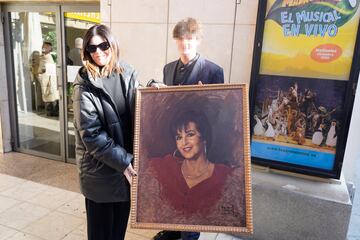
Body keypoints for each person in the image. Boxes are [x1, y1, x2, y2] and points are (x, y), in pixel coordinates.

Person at [149, 17, 224, 240]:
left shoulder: (213, 71)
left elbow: (218, 115)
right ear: (176, 41)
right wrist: (154, 88)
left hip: (197, 145)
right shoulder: (168, 68)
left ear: (198, 41)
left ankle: (189, 236)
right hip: (173, 142)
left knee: (193, 192)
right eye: (181, 40)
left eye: (190, 40)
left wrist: (205, 101)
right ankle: (171, 231)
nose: (185, 44)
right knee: (172, 189)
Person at [72, 24, 138, 240]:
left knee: (118, 233)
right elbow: (91, 136)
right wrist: (125, 162)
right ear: (86, 53)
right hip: (100, 175)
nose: (98, 52)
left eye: (103, 45)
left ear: (113, 44)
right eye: (92, 48)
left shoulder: (127, 73)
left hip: (125, 170)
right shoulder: (84, 85)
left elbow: (142, 108)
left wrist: (154, 87)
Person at [150, 110, 233, 215]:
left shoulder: (225, 175)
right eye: (179, 137)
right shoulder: (167, 165)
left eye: (190, 134)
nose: (184, 142)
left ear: (204, 138)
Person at [38, 42, 59, 116]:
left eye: (46, 47)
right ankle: (50, 111)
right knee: (49, 95)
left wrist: (41, 73)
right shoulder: (42, 57)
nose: (43, 48)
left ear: (49, 49)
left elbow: (48, 69)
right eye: (43, 47)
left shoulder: (49, 57)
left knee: (51, 95)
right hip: (46, 79)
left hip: (50, 79)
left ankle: (52, 111)